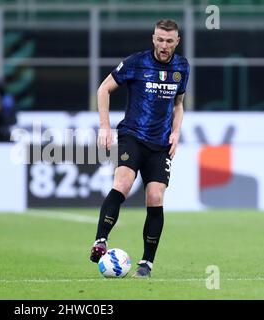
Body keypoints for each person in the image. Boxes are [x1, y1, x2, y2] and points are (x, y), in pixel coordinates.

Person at [90, 19, 190, 278]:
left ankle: (146, 264)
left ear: (177, 42)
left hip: (160, 145)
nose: (164, 45)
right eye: (160, 39)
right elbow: (104, 89)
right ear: (153, 38)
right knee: (122, 182)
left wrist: (176, 132)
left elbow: (178, 104)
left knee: (156, 198)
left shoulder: (182, 67)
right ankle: (101, 240)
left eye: (169, 41)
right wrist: (104, 126)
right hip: (132, 136)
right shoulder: (137, 62)